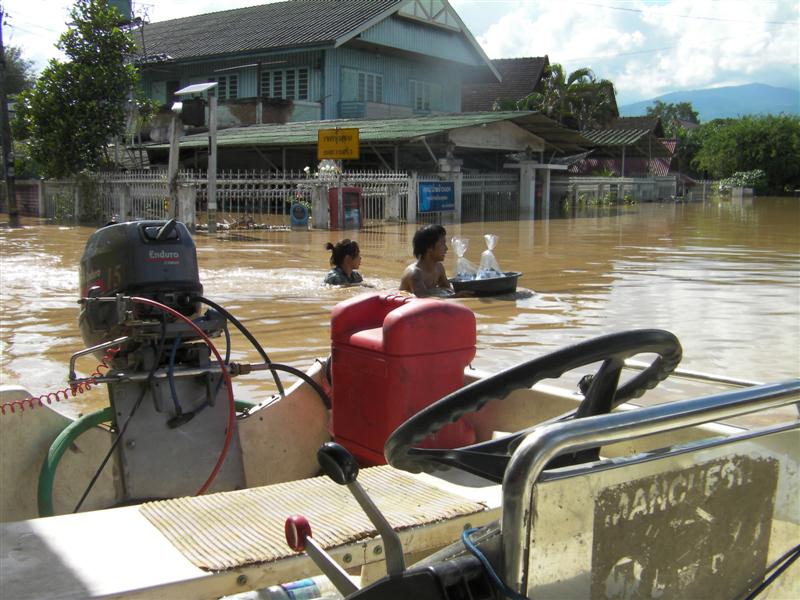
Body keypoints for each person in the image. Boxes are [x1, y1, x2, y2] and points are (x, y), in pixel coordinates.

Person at [399, 224, 456, 297]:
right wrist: (455, 296)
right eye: (442, 243)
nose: (446, 248)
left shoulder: (439, 268)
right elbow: (424, 298)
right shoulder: (415, 274)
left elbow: (447, 289)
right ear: (429, 247)